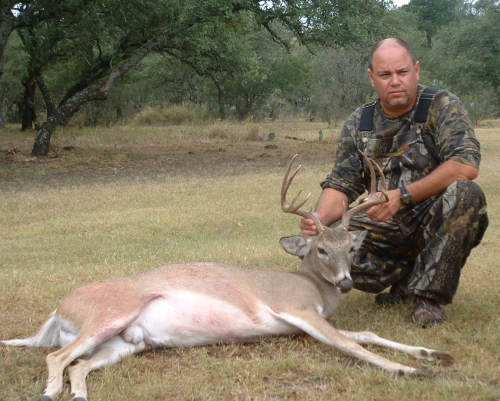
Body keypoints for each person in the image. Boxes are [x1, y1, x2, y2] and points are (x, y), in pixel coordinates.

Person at [300, 38, 488, 326]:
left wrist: (402, 196)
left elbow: (464, 164)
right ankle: (407, 279)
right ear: (372, 78)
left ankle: (428, 298)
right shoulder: (359, 122)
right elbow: (342, 182)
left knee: (467, 194)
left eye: (402, 72)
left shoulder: (441, 105)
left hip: (432, 215)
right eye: (386, 75)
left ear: (416, 70)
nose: (395, 81)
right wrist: (318, 220)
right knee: (323, 251)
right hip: (382, 224)